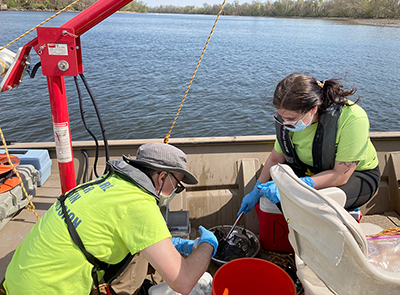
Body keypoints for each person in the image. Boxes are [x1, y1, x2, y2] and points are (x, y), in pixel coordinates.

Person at [3, 143, 218, 295]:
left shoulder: (110, 183)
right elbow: (184, 282)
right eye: (177, 186)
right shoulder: (139, 205)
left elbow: (131, 229)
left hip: (16, 280)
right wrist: (208, 244)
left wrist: (174, 244)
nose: (175, 192)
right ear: (162, 177)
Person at [238, 72, 380, 217]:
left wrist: (296, 186)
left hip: (354, 177)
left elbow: (340, 175)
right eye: (282, 117)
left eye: (291, 118)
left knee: (313, 202)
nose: (286, 122)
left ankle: (345, 216)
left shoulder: (352, 118)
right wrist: (256, 189)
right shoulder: (286, 121)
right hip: (308, 171)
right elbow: (275, 159)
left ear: (313, 109)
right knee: (285, 197)